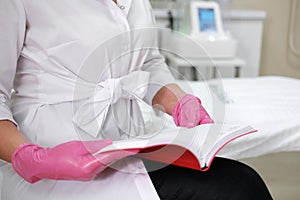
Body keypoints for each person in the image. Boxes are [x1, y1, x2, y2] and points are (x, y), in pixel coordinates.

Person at [0, 0, 273, 199]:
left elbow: (149, 62)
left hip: (126, 145)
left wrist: (178, 101)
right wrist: (33, 159)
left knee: (241, 181)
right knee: (239, 189)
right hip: (53, 159)